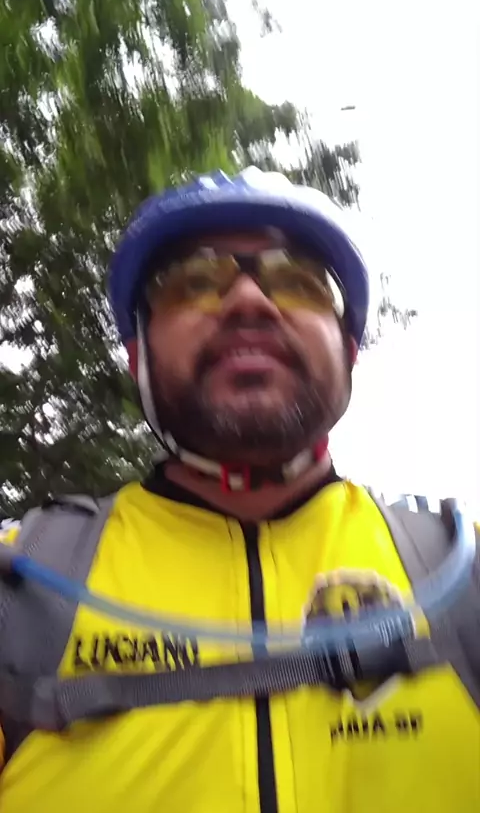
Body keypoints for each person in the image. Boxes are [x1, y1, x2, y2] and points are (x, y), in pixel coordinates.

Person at [0, 167, 478, 813]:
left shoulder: (460, 569)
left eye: (299, 280)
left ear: (350, 350)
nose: (249, 300)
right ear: (139, 360)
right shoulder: (21, 582)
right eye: (193, 281)